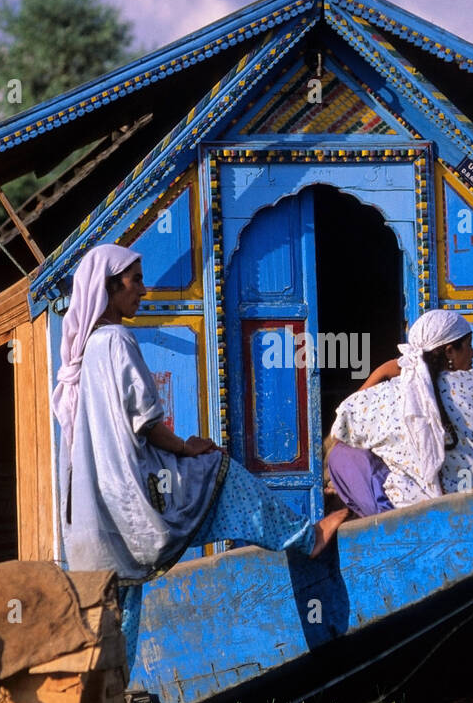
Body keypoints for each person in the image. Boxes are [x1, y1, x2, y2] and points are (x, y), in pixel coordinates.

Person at [53, 244, 343, 659]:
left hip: (94, 513)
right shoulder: (117, 340)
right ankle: (306, 537)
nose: (144, 290)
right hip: (134, 495)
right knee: (218, 470)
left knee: (120, 603)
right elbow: (148, 423)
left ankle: (108, 701)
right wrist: (187, 447)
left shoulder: (86, 351)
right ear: (111, 288)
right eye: (135, 281)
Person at [325, 310, 473, 525]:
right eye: (469, 345)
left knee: (341, 453)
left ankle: (383, 521)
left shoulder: (388, 395)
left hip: (412, 515)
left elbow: (340, 428)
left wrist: (383, 371)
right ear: (449, 351)